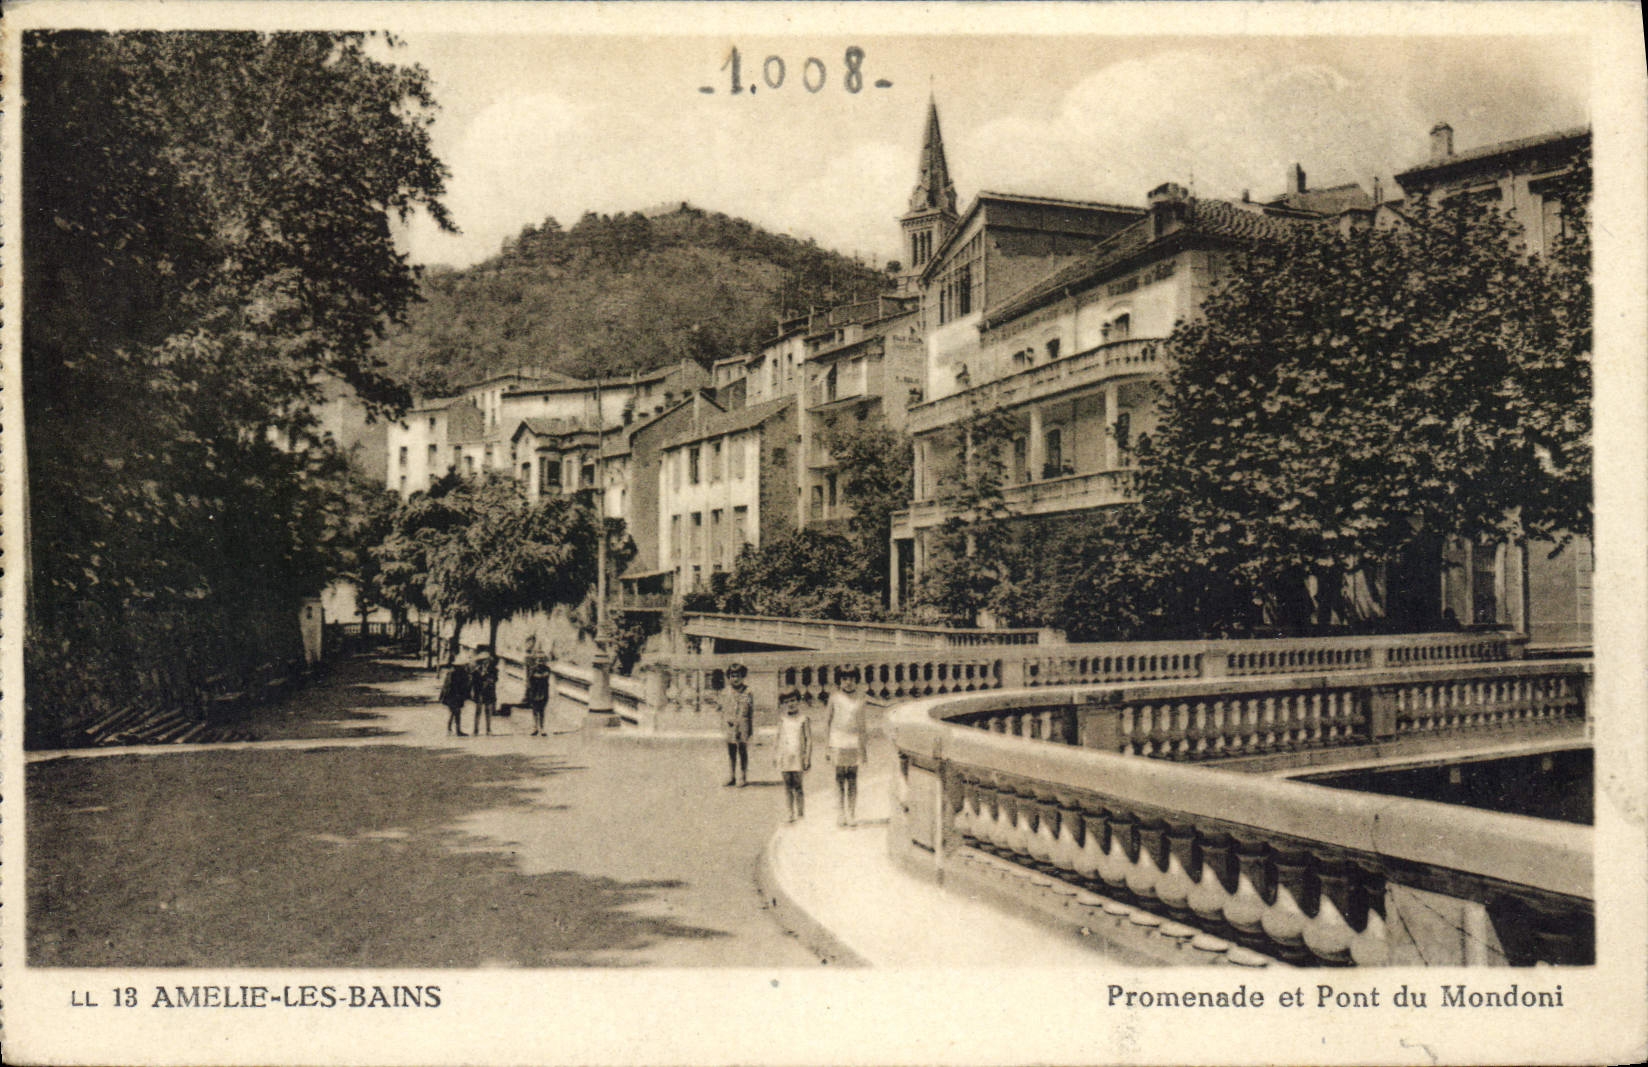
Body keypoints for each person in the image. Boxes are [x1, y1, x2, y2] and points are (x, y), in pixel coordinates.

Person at [825, 666, 868, 827]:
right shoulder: (834, 697)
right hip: (837, 741)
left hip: (854, 741)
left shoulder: (861, 698)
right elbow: (827, 722)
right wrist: (827, 746)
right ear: (839, 681)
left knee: (852, 778)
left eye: (851, 678)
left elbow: (863, 724)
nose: (848, 682)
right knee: (839, 778)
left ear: (856, 680)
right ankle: (840, 812)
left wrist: (863, 747)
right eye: (844, 679)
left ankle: (851, 813)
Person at [773, 689, 812, 823]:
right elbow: (778, 738)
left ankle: (801, 813)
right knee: (787, 786)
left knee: (798, 786)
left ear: (798, 701)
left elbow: (808, 739)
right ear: (783, 703)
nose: (791, 704)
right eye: (787, 701)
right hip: (785, 756)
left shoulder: (803, 719)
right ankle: (790, 813)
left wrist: (807, 756)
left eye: (793, 700)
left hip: (798, 756)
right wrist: (775, 755)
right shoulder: (782, 719)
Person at [720, 663, 755, 787]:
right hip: (729, 724)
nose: (735, 679)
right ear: (729, 677)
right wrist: (725, 723)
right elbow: (723, 709)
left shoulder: (747, 692)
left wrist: (749, 728)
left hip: (742, 724)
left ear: (743, 676)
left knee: (742, 750)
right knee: (731, 751)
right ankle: (732, 776)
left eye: (738, 676)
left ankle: (743, 776)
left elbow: (749, 711)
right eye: (732, 676)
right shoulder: (725, 691)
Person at [523, 636, 553, 736]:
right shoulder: (533, 669)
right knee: (535, 710)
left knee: (542, 710)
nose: (540, 662)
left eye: (542, 660)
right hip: (534, 691)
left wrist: (538, 676)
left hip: (543, 691)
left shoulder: (547, 669)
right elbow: (530, 679)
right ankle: (535, 726)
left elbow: (545, 676)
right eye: (538, 660)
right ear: (536, 660)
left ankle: (542, 727)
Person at [438, 658, 469, 737]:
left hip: (452, 696)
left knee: (453, 712)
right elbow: (448, 686)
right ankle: (457, 730)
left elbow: (445, 686)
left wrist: (441, 696)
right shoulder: (458, 674)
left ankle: (449, 728)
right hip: (453, 696)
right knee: (457, 712)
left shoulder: (453, 673)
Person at [473, 646, 499, 736]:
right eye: (483, 660)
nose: (485, 662)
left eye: (486, 660)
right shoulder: (477, 670)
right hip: (479, 691)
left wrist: (489, 680)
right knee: (478, 710)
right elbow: (474, 681)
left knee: (488, 710)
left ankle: (488, 729)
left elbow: (495, 679)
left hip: (489, 690)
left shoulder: (493, 669)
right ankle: (475, 729)